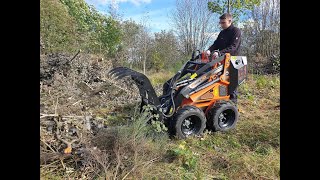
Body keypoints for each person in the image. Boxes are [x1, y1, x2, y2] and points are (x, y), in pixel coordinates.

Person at [207, 13, 242, 104]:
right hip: (223, 60)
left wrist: (219, 52)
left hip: (235, 60)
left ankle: (232, 106)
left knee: (232, 85)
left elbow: (233, 47)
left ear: (230, 21)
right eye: (220, 23)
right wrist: (209, 50)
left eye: (223, 22)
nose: (221, 25)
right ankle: (221, 103)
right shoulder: (222, 33)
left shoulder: (236, 31)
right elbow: (216, 44)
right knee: (221, 82)